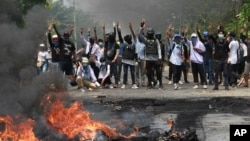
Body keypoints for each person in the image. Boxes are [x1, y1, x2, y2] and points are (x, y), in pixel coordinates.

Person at [138, 19, 162, 89]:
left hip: (155, 58)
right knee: (148, 72)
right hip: (148, 58)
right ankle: (150, 84)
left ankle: (160, 83)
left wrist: (160, 57)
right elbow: (140, 35)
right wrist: (142, 27)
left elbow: (159, 49)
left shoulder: (156, 41)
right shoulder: (146, 40)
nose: (150, 34)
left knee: (158, 72)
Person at [118, 22, 138, 89]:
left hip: (132, 60)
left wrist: (131, 28)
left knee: (132, 73)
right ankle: (124, 83)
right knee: (125, 73)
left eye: (130, 37)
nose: (130, 38)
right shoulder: (124, 43)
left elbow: (134, 36)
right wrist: (119, 31)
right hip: (125, 60)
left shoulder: (133, 44)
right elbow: (120, 38)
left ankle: (134, 84)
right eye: (128, 37)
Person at [102, 22, 120, 88]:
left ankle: (116, 83)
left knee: (115, 71)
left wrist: (115, 59)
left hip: (113, 60)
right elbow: (104, 38)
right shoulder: (107, 42)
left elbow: (117, 52)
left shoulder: (116, 43)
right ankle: (107, 83)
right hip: (108, 59)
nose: (109, 38)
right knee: (108, 72)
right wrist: (103, 29)